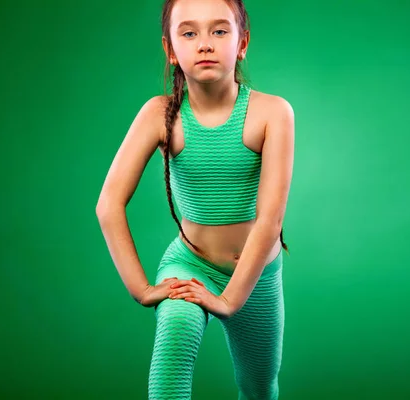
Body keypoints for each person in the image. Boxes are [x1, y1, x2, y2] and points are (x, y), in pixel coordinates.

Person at [96, 0, 294, 398]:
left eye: (219, 31)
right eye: (189, 33)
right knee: (170, 370)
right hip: (189, 267)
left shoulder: (272, 113)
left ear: (242, 43)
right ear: (171, 50)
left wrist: (230, 299)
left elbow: (270, 221)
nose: (205, 44)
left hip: (255, 278)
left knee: (258, 385)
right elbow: (108, 204)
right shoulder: (159, 114)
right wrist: (141, 289)